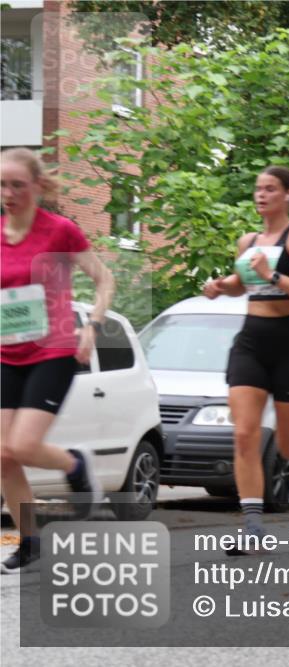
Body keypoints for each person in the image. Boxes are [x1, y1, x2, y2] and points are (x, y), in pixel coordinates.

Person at [203, 166, 289, 554]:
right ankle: (253, 527)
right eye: (258, 189)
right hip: (251, 342)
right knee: (244, 434)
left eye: (270, 189)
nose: (261, 195)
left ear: (288, 195)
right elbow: (241, 284)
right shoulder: (248, 241)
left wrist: (272, 275)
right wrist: (218, 288)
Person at [1, 148, 115, 572]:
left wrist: (93, 326)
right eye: (2, 185)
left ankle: (76, 464)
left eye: (17, 185)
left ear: (37, 186)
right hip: (6, 352)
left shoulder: (59, 232)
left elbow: (104, 279)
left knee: (24, 446)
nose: (8, 193)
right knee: (3, 455)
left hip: (54, 350)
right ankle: (30, 540)